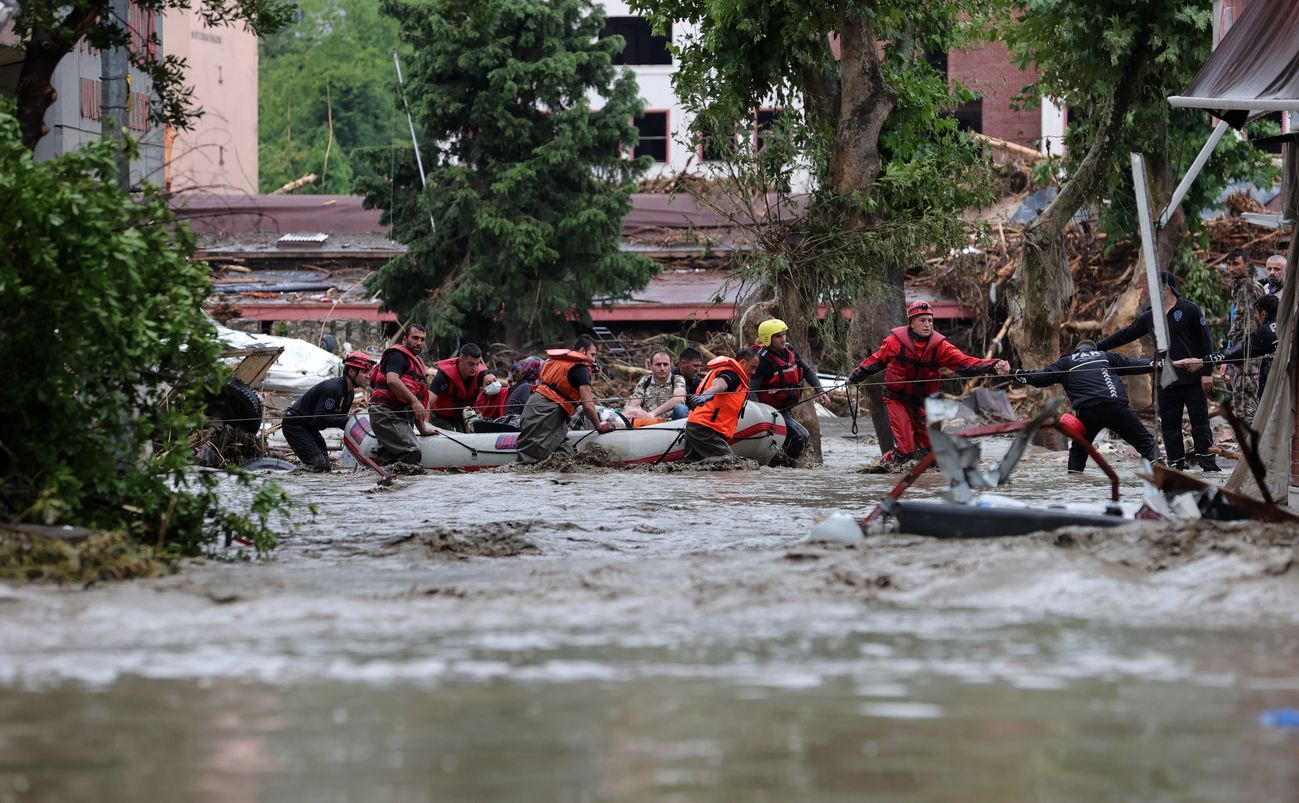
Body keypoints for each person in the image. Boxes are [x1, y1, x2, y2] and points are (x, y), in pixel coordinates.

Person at [848, 300, 1009, 463]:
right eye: (922, 320)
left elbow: (966, 364)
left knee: (931, 455)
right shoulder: (894, 343)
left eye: (930, 320)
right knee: (907, 454)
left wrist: (994, 365)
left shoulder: (941, 347)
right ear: (911, 323)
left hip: (925, 403)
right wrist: (854, 377)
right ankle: (884, 463)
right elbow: (874, 362)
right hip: (897, 400)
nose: (927, 325)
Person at [1096, 271, 1218, 471]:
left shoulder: (1190, 310)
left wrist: (1207, 372)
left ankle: (1208, 464)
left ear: (1167, 288)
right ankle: (1177, 465)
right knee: (1170, 425)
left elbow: (1206, 342)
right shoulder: (1151, 316)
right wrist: (1097, 346)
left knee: (1200, 422)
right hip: (1166, 378)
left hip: (1193, 378)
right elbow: (1126, 334)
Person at [1013, 340, 1160, 472]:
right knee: (1147, 445)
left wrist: (1014, 373)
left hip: (1087, 412)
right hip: (1114, 406)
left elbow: (1040, 378)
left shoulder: (1066, 362)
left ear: (1076, 351)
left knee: (1079, 450)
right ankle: (1158, 474)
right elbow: (1134, 365)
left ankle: (1074, 482)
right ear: (1093, 349)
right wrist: (1160, 363)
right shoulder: (1105, 356)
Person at [516, 337, 615, 464]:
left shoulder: (561, 361)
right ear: (582, 351)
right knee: (531, 457)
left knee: (566, 454)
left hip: (539, 405)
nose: (594, 360)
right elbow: (588, 406)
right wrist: (599, 426)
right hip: (545, 410)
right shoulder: (580, 369)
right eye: (593, 355)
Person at [1175, 293, 1280, 404]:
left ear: (1263, 314)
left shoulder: (1264, 332)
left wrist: (1203, 361)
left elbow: (1237, 352)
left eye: (1257, 314)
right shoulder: (1288, 326)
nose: (1257, 318)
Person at [749, 318, 829, 461]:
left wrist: (820, 391)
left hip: (785, 408)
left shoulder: (790, 350)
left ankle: (780, 465)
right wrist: (759, 416)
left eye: (784, 334)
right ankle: (783, 465)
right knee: (800, 436)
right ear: (768, 338)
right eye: (778, 336)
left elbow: (807, 370)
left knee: (798, 437)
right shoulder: (762, 360)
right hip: (769, 411)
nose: (783, 338)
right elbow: (752, 389)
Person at [282, 351, 375, 471]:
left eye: (369, 372)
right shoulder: (333, 390)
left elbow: (338, 420)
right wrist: (347, 420)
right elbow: (320, 419)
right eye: (364, 372)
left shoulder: (349, 393)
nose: (368, 376)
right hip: (295, 425)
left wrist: (354, 421)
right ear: (352, 372)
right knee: (317, 465)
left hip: (310, 427)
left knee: (326, 467)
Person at [368, 324, 437, 466]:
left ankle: (389, 480)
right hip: (385, 414)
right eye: (415, 338)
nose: (419, 343)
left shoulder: (416, 362)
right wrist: (413, 401)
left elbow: (416, 401)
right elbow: (392, 380)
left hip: (399, 416)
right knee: (412, 450)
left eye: (422, 339)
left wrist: (422, 429)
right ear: (405, 339)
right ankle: (401, 483)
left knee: (390, 457)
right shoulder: (397, 356)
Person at [684, 349, 760, 462]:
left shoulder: (730, 372)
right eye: (752, 367)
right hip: (705, 430)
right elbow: (719, 384)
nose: (754, 372)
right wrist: (707, 395)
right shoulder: (732, 374)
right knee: (730, 464)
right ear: (743, 362)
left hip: (696, 426)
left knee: (694, 467)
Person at [1221, 248, 1265, 424]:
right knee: (1239, 399)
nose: (1231, 269)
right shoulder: (1238, 286)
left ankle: (1252, 442)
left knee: (1248, 399)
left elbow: (1254, 325)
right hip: (1239, 352)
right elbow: (1236, 324)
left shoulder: (1251, 287)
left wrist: (1245, 352)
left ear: (1246, 264)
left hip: (1249, 354)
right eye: (1229, 265)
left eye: (1236, 264)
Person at [427, 343, 487, 431]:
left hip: (466, 418)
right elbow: (427, 402)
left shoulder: (481, 375)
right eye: (471, 364)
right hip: (440, 417)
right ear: (461, 360)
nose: (475, 368)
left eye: (477, 364)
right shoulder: (443, 377)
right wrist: (424, 425)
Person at [623, 350, 686, 423]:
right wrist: (630, 410)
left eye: (665, 364)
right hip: (648, 422)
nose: (662, 368)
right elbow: (636, 398)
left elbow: (679, 399)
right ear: (651, 366)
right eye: (658, 364)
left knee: (682, 409)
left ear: (670, 366)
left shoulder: (677, 379)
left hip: (671, 421)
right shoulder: (645, 380)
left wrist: (653, 414)